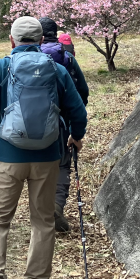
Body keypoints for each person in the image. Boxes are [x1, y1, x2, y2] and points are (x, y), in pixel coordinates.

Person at [0, 16, 88, 279]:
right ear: (40, 40)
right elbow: (77, 108)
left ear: (11, 40)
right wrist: (76, 135)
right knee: (43, 219)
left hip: (8, 154)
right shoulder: (57, 69)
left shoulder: (0, 68)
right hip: (47, 156)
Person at [38, 17, 90, 234]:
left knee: (38, 167)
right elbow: (82, 92)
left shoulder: (31, 57)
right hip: (62, 122)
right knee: (62, 165)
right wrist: (74, 127)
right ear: (56, 33)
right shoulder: (67, 58)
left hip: (34, 121)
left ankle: (41, 210)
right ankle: (56, 206)